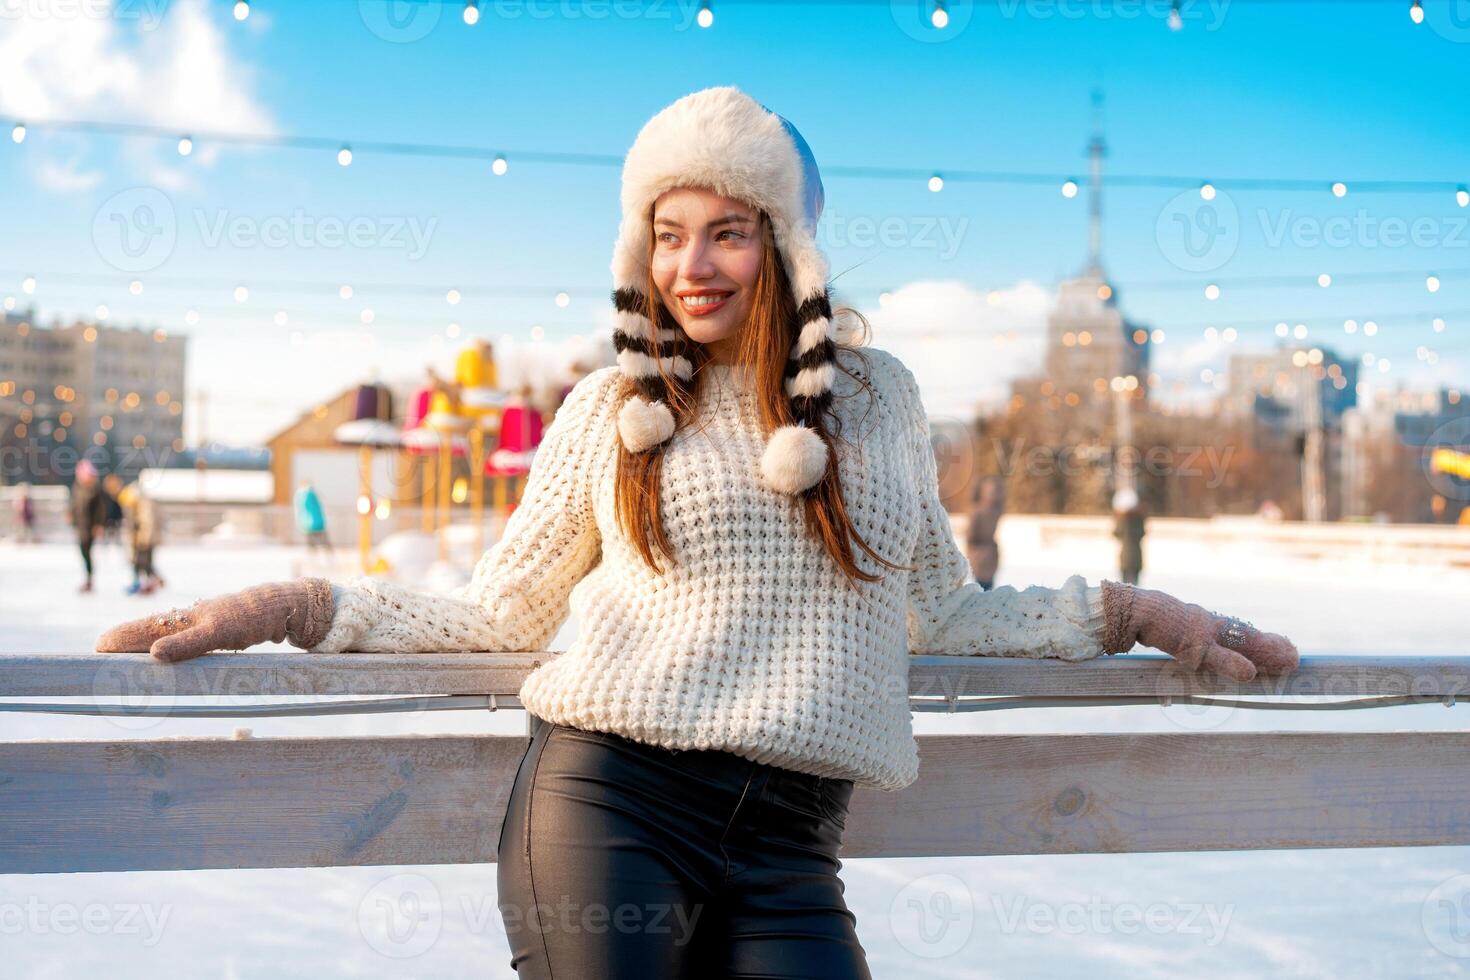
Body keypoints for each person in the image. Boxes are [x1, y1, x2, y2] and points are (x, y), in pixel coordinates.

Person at [96, 86, 1300, 979]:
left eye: (727, 229)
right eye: (667, 234)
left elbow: (944, 605)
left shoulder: (878, 398)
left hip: (791, 843)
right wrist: (294, 607)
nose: (692, 263)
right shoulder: (610, 411)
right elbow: (504, 613)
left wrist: (1139, 613)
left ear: (787, 242)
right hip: (612, 806)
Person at [70, 459, 109, 593]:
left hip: (90, 527)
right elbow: (75, 505)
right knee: (83, 551)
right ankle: (88, 579)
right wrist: (71, 515)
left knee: (86, 552)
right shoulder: (77, 487)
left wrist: (99, 525)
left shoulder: (96, 489)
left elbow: (101, 509)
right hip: (81, 526)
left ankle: (89, 579)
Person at [119, 482, 165, 595]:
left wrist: (144, 539)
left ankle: (148, 583)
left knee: (144, 562)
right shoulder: (134, 505)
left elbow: (148, 523)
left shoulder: (144, 504)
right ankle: (141, 582)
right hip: (138, 538)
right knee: (138, 561)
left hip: (145, 539)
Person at [966, 475, 1005, 590]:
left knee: (981, 591)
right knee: (986, 590)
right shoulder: (996, 510)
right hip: (989, 555)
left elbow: (970, 536)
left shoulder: (977, 512)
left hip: (980, 556)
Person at [1112, 486, 1146, 585]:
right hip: (1136, 559)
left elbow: (1116, 533)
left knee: (1125, 588)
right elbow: (1142, 533)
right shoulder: (1139, 520)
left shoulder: (1123, 521)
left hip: (1125, 559)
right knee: (1135, 587)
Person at [293, 481, 332, 555]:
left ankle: (313, 557)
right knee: (324, 543)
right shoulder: (311, 494)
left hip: (307, 524)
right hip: (317, 523)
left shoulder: (300, 495)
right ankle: (328, 558)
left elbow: (300, 511)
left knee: (312, 544)